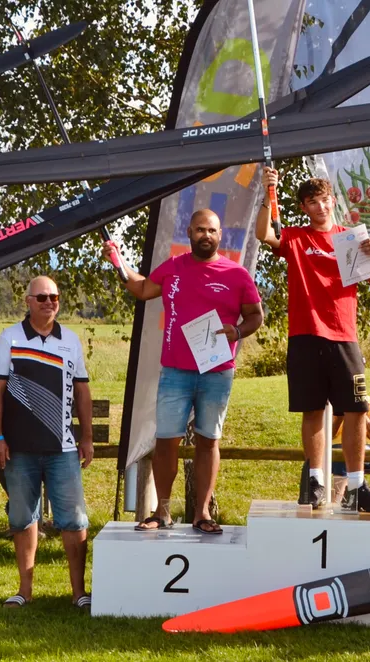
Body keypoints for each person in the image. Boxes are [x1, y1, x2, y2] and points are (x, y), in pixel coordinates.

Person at [103, 209, 263, 533]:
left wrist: (237, 331)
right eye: (200, 229)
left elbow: (255, 316)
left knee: (208, 441)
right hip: (175, 371)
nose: (206, 235)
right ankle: (161, 512)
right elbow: (142, 289)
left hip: (217, 371)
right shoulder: (173, 266)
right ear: (189, 232)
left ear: (220, 235)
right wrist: (118, 261)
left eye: (212, 230)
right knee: (166, 442)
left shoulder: (237, 274)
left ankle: (202, 513)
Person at [256, 167, 370, 513]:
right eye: (313, 202)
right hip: (305, 335)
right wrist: (268, 194)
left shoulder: (350, 238)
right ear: (304, 207)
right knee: (313, 410)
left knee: (356, 410)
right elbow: (263, 233)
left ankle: (357, 487)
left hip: (344, 336)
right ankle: (316, 482)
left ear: (333, 202)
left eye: (325, 200)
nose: (321, 207)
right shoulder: (296, 237)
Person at [0, 276, 94, 609]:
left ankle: (79, 594)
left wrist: (87, 437)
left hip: (63, 448)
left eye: (55, 297)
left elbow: (82, 390)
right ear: (28, 301)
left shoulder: (70, 340)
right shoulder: (10, 337)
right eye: (42, 297)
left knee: (75, 520)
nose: (49, 302)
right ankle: (25, 591)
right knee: (22, 519)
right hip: (19, 448)